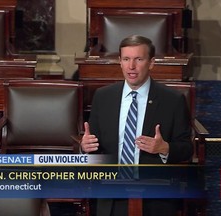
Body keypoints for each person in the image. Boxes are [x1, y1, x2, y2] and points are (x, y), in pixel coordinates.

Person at [80, 35, 193, 216]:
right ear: (120, 62)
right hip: (111, 192)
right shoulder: (103, 97)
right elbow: (93, 146)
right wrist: (85, 147)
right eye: (126, 59)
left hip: (154, 195)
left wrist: (164, 148)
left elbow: (187, 148)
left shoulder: (172, 100)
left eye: (138, 59)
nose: (131, 67)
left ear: (151, 63)